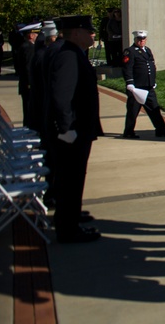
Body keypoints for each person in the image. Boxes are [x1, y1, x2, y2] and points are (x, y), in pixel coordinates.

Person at [43, 15, 104, 243]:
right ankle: (68, 229)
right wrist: (66, 127)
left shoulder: (72, 53)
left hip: (76, 131)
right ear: (76, 32)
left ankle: (70, 222)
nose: (92, 34)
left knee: (73, 179)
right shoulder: (68, 56)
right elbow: (61, 97)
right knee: (70, 180)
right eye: (88, 31)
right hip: (71, 134)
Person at [121, 30, 165, 139]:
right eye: (139, 39)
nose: (141, 41)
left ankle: (161, 130)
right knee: (133, 111)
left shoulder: (147, 50)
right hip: (137, 87)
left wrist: (153, 81)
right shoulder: (130, 51)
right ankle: (128, 132)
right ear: (135, 39)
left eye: (143, 39)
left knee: (154, 109)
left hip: (148, 86)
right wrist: (130, 83)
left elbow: (152, 66)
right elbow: (127, 68)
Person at [13, 25, 39, 121]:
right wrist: (30, 83)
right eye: (37, 34)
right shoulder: (29, 48)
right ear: (31, 36)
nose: (38, 36)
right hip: (28, 85)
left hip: (26, 84)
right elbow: (28, 67)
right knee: (29, 110)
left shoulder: (25, 46)